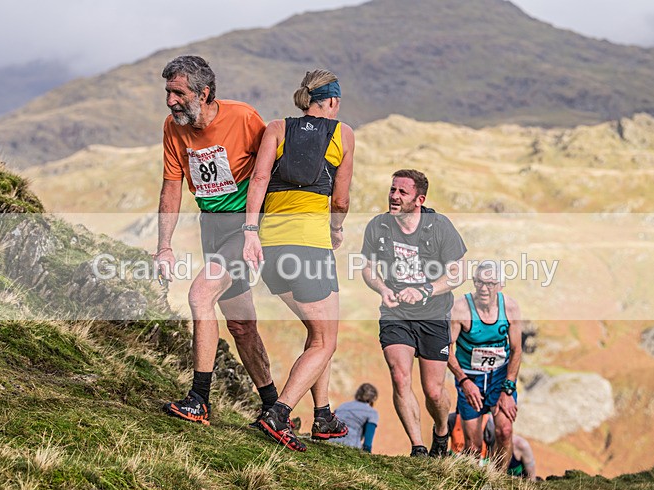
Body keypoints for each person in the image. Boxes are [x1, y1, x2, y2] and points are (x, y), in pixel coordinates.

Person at [157, 55, 278, 426]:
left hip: (246, 227)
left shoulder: (243, 118)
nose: (170, 101)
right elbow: (171, 188)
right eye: (168, 93)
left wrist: (256, 229)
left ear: (203, 93)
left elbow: (272, 168)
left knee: (200, 294)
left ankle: (199, 399)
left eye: (178, 93)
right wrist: (164, 246)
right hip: (212, 226)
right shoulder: (173, 127)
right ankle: (273, 404)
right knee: (241, 325)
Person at [243, 69, 355, 451]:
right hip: (310, 244)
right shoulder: (342, 133)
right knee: (325, 341)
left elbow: (259, 181)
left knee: (320, 331)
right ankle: (279, 413)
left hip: (271, 246)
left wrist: (249, 232)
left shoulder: (276, 127)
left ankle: (322, 415)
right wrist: (336, 229)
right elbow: (340, 199)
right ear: (333, 101)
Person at [360, 169, 467, 457]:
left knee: (434, 391)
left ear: (419, 199)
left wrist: (425, 290)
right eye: (392, 190)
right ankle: (418, 447)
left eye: (402, 192)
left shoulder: (439, 226)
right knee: (399, 376)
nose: (394, 196)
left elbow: (458, 274)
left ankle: (441, 431)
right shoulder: (378, 226)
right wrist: (382, 289)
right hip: (396, 315)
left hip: (434, 315)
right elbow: (368, 269)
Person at [448, 260, 523, 470]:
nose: (484, 288)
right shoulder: (460, 308)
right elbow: (447, 350)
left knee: (504, 431)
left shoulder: (510, 307)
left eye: (490, 283)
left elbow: (517, 350)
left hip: (500, 376)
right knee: (472, 444)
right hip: (470, 376)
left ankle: (499, 481)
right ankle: (472, 488)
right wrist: (463, 381)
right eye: (479, 282)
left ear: (500, 285)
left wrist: (508, 388)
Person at [331, 383, 380, 453]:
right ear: (373, 399)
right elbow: (367, 443)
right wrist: (367, 455)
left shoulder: (343, 406)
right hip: (350, 445)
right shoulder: (372, 413)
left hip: (329, 440)